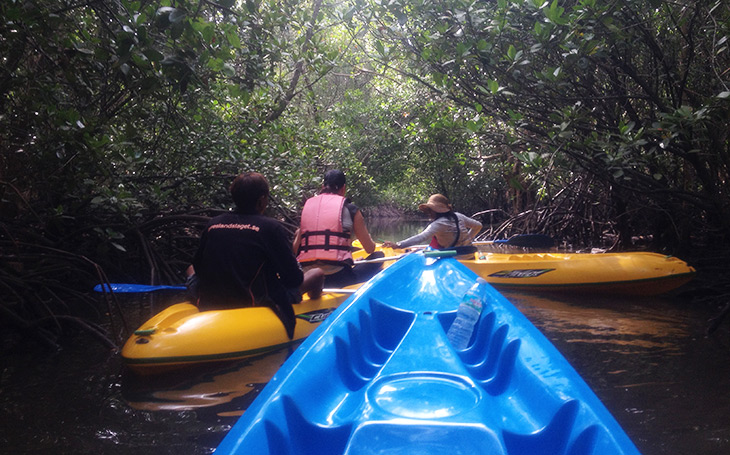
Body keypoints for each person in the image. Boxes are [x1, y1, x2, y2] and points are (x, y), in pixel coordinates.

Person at [190, 172, 324, 339]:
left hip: (209, 300)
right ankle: (319, 309)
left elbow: (197, 267)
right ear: (261, 200)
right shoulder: (270, 227)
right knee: (317, 273)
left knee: (190, 269)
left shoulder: (213, 224)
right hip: (254, 302)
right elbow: (293, 280)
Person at [292, 169, 384, 287]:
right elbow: (370, 249)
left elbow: (295, 250)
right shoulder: (351, 209)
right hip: (338, 277)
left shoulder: (308, 206)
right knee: (379, 256)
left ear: (322, 186)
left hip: (308, 277)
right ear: (343, 188)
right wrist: (370, 239)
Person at [382, 194, 482, 251]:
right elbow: (478, 226)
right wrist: (468, 238)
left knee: (416, 252)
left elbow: (421, 237)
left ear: (435, 210)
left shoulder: (438, 224)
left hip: (456, 259)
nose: (429, 213)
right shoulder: (459, 216)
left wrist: (398, 245)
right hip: (470, 253)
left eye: (430, 210)